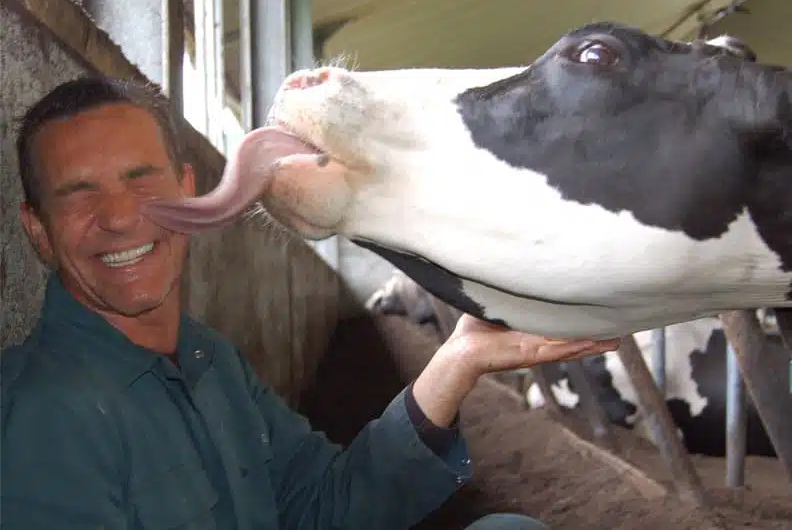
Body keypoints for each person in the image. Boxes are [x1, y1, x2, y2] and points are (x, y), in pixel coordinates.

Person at [0, 76, 621, 530]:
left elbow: (324, 506)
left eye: (141, 179)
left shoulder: (208, 360)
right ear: (38, 231)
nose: (119, 217)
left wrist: (456, 362)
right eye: (79, 194)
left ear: (188, 190)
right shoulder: (41, 416)